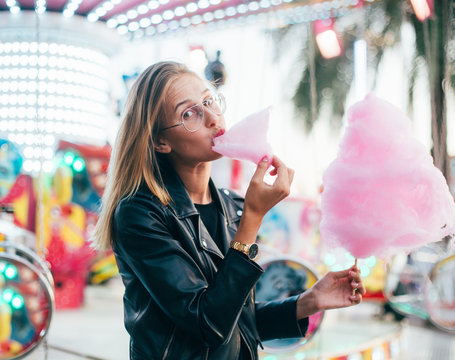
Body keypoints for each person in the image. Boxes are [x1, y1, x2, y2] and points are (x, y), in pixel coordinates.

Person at [93, 61, 366, 360]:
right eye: (189, 113)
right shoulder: (139, 214)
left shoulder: (231, 206)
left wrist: (309, 301)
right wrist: (252, 218)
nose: (212, 118)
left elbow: (238, 322)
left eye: (209, 101)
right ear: (161, 141)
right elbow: (208, 324)